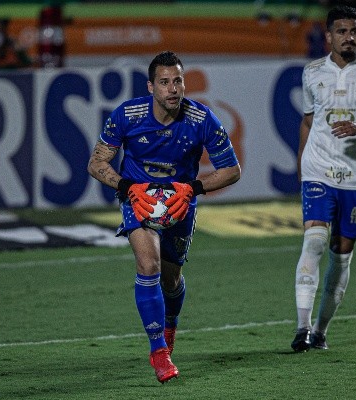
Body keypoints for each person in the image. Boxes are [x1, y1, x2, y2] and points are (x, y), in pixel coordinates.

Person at [87, 51, 241, 382]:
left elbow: (232, 170)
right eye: (164, 82)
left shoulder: (202, 119)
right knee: (148, 265)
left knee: (171, 280)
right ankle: (158, 352)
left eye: (178, 81)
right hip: (138, 200)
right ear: (151, 87)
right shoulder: (127, 115)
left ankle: (169, 325)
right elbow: (96, 163)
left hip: (180, 203)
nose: (172, 89)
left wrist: (192, 189)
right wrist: (128, 187)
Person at [291, 5, 356, 352]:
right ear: (329, 36)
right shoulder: (311, 72)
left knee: (341, 254)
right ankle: (302, 329)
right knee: (314, 242)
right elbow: (309, 121)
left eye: (354, 31)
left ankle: (320, 330)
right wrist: (301, 165)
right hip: (318, 169)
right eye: (341, 31)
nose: (348, 37)